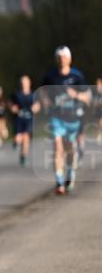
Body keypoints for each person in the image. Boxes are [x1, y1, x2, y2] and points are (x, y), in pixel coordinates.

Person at [39, 46, 90, 194]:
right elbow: (42, 91)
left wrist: (76, 95)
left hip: (73, 118)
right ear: (56, 59)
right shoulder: (50, 76)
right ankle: (59, 182)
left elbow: (87, 97)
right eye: (59, 57)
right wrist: (45, 102)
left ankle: (70, 173)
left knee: (70, 150)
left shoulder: (77, 76)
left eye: (65, 57)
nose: (62, 60)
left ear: (70, 59)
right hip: (56, 117)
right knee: (57, 148)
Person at [9, 76, 39, 167]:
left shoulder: (33, 94)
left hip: (29, 118)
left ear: (29, 83)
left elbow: (38, 105)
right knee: (19, 137)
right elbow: (9, 103)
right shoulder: (16, 94)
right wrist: (12, 108)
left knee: (26, 137)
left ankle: (23, 156)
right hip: (18, 118)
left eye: (25, 82)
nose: (24, 84)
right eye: (22, 82)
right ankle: (16, 142)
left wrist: (35, 108)